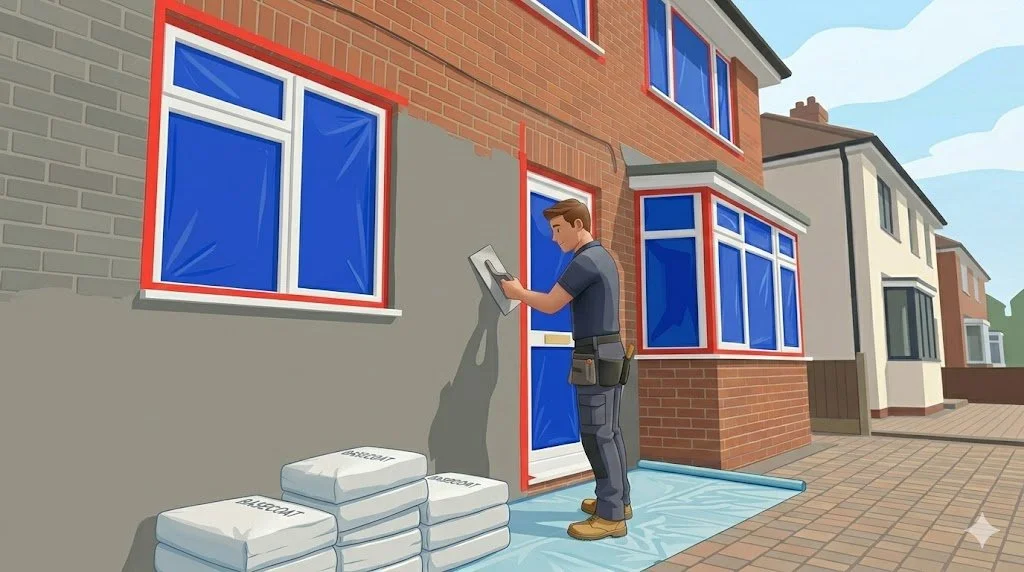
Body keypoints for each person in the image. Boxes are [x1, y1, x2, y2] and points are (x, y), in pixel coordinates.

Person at [500, 197, 632, 541]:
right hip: (610, 352)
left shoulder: (585, 261)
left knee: (596, 434)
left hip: (595, 355)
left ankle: (611, 516)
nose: (554, 237)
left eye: (558, 228)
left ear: (578, 225)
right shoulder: (601, 256)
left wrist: (517, 291)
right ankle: (618, 500)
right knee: (611, 432)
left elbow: (551, 303)